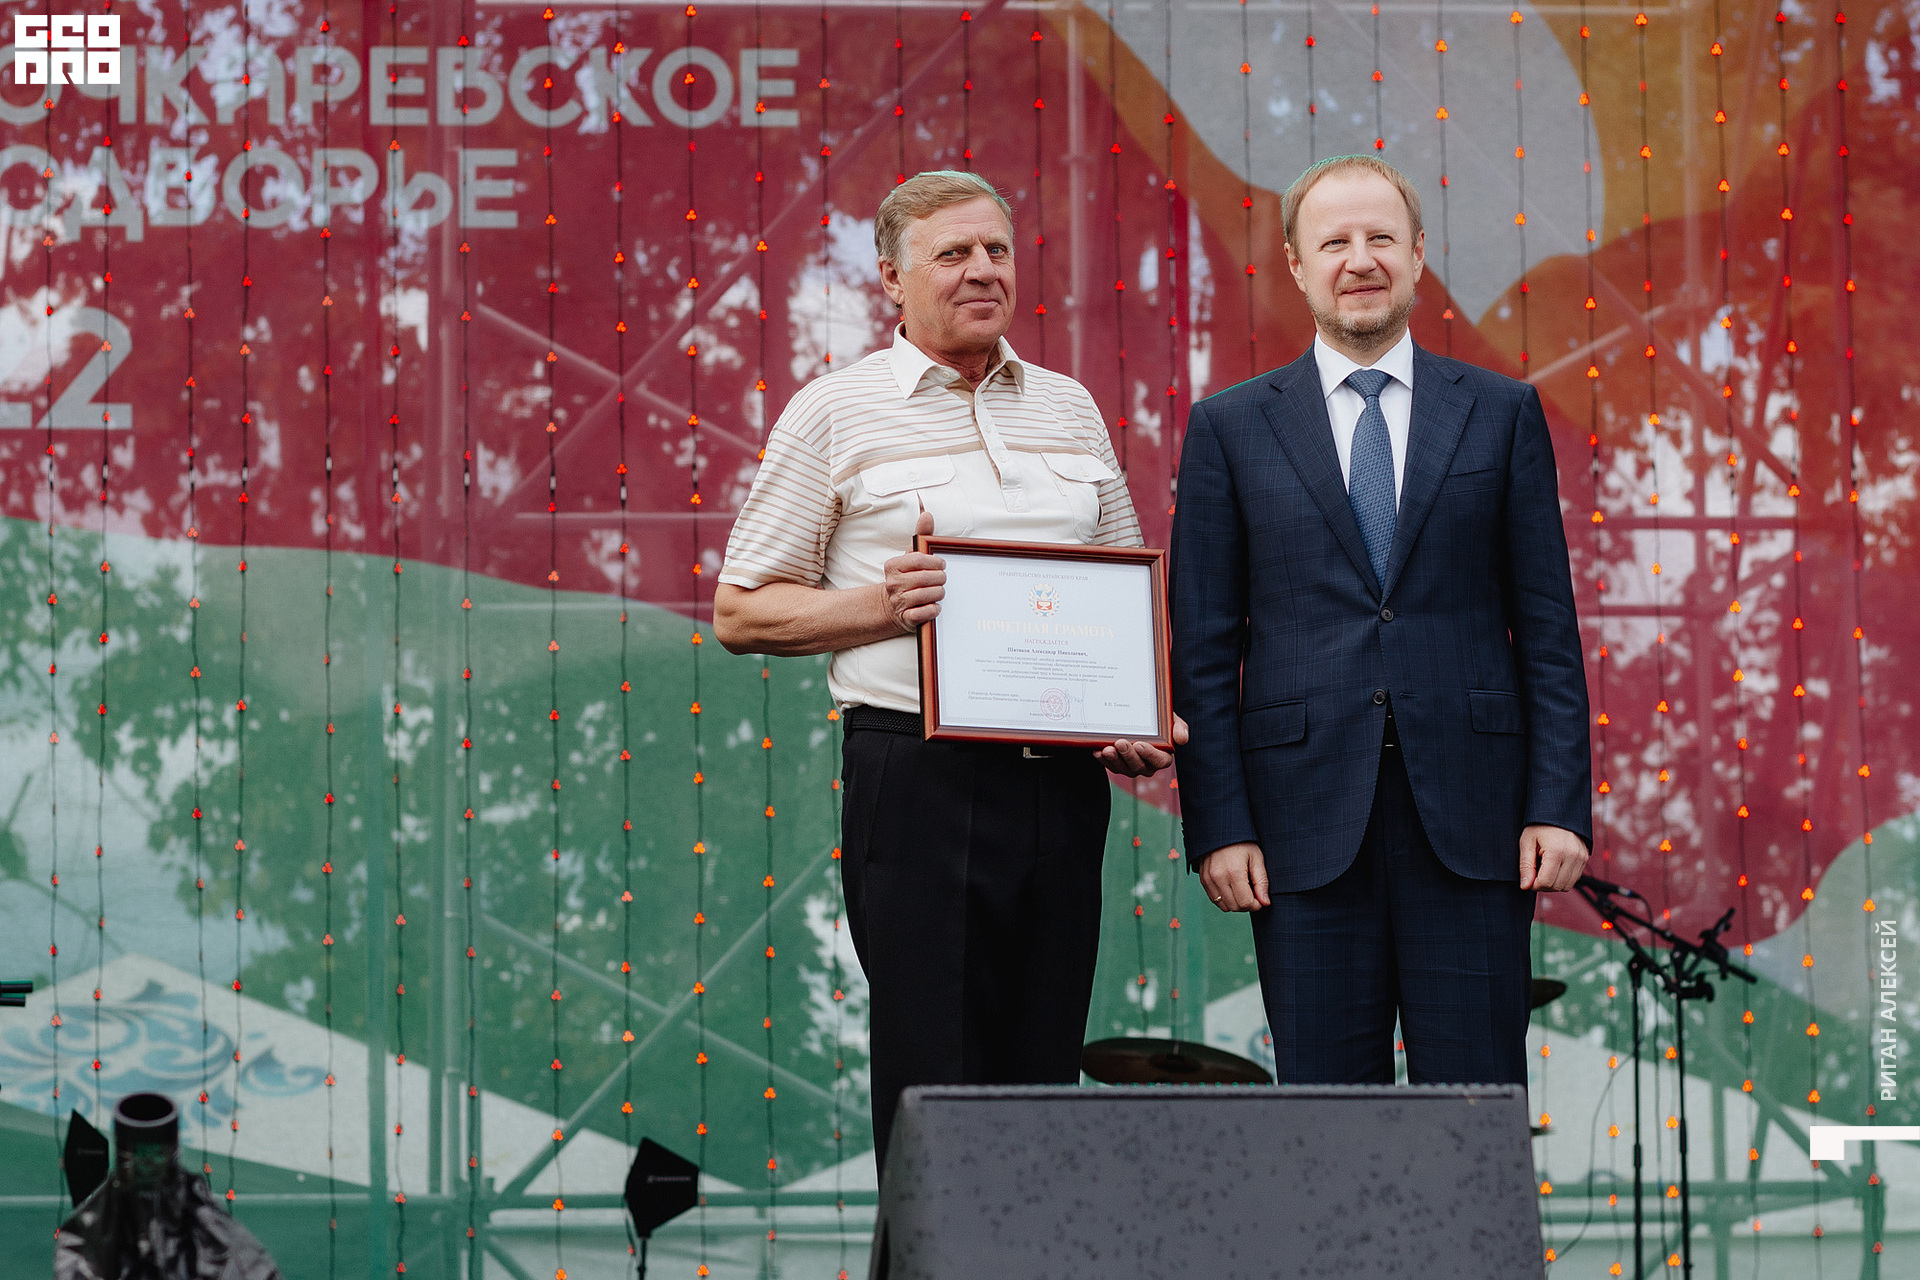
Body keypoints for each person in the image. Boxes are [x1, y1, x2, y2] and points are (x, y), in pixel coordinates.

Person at [714, 170, 1179, 1172]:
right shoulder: (834, 411)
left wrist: (1144, 713)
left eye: (997, 250)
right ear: (892, 277)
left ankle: (1029, 1246)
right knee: (935, 1079)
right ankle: (933, 1246)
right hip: (919, 777)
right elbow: (741, 609)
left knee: (1043, 1070)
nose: (982, 270)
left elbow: (1124, 598)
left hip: (1063, 784)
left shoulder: (1070, 408)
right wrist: (879, 606)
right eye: (954, 253)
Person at [1169, 155, 1591, 1086]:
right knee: (1327, 1126)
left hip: (1477, 826)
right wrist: (1219, 825)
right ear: (1295, 264)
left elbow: (1547, 631)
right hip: (1299, 831)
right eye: (1334, 242)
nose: (1360, 260)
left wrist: (1557, 806)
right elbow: (1201, 651)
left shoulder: (1502, 412)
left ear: (1418, 253)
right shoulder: (1229, 428)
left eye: (1381, 238)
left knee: (1474, 1114)